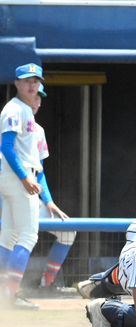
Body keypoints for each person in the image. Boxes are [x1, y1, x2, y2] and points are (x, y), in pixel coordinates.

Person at [0, 63, 47, 309]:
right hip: (19, 176)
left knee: (8, 238)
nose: (32, 85)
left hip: (14, 177)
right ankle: (13, 295)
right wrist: (24, 177)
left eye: (35, 81)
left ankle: (4, 293)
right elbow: (6, 146)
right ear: (16, 83)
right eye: (27, 80)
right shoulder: (15, 108)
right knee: (27, 236)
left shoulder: (24, 109)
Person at [30, 84, 77, 290]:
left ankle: (45, 286)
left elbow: (39, 172)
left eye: (40, 97)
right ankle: (7, 290)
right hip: (7, 196)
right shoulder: (7, 124)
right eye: (34, 95)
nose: (37, 101)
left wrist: (48, 201)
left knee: (68, 232)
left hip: (29, 197)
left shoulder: (39, 131)